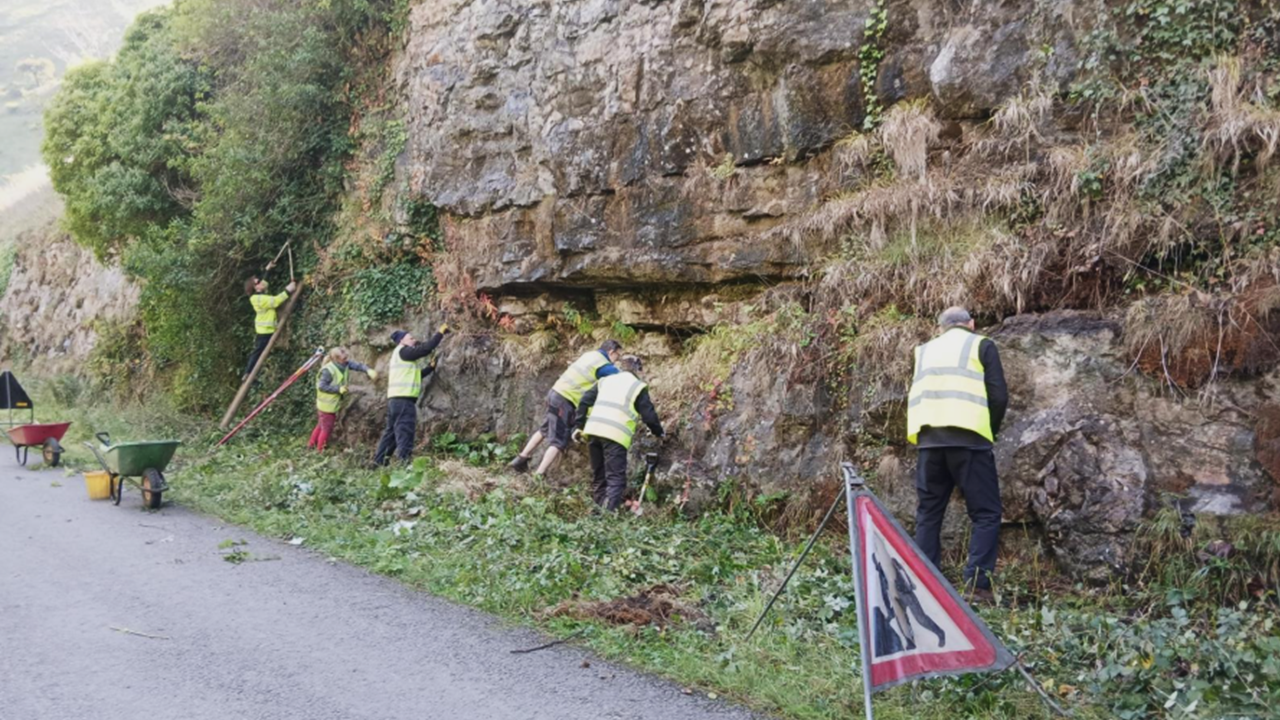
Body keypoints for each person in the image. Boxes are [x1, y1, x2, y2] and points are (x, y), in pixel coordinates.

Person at [906, 306, 1008, 601]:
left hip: (928, 443)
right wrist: (990, 430)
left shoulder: (923, 351)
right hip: (970, 440)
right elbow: (999, 395)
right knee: (986, 513)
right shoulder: (982, 345)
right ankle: (977, 586)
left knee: (928, 512)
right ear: (971, 324)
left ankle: (925, 581)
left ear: (940, 328)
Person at [508, 340, 623, 479]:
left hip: (555, 393)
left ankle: (521, 458)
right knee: (559, 441)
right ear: (611, 352)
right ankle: (539, 474)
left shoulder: (590, 355)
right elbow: (620, 378)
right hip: (566, 400)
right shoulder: (603, 365)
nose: (617, 359)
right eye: (618, 355)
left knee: (545, 429)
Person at [572, 355, 664, 511]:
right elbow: (649, 415)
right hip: (615, 436)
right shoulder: (637, 386)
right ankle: (607, 519)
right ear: (638, 370)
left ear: (620, 367)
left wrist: (579, 426)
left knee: (599, 477)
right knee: (616, 480)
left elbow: (584, 401)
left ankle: (596, 515)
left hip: (593, 432)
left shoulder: (605, 381)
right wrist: (659, 432)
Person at [373, 324, 449, 466]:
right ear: (402, 340)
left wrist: (429, 368)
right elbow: (426, 349)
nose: (414, 340)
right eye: (411, 338)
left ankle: (379, 463)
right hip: (403, 402)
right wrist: (440, 333)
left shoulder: (400, 355)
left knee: (390, 434)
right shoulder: (404, 351)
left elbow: (415, 376)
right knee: (405, 431)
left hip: (395, 401)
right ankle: (404, 464)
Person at [309, 347, 378, 452]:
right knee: (326, 429)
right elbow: (322, 386)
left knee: (321, 425)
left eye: (346, 357)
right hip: (326, 405)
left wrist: (368, 370)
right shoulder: (328, 370)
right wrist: (338, 389)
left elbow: (357, 366)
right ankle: (319, 451)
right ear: (337, 359)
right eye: (344, 358)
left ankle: (310, 445)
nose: (346, 359)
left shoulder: (344, 364)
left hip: (331, 404)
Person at [243, 276, 298, 377]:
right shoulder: (258, 298)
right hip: (265, 331)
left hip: (266, 329)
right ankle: (249, 372)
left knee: (259, 352)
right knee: (258, 353)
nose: (262, 282)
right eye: (258, 282)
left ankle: (249, 373)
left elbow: (265, 283)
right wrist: (288, 290)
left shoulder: (259, 295)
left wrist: (268, 270)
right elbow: (276, 301)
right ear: (256, 287)